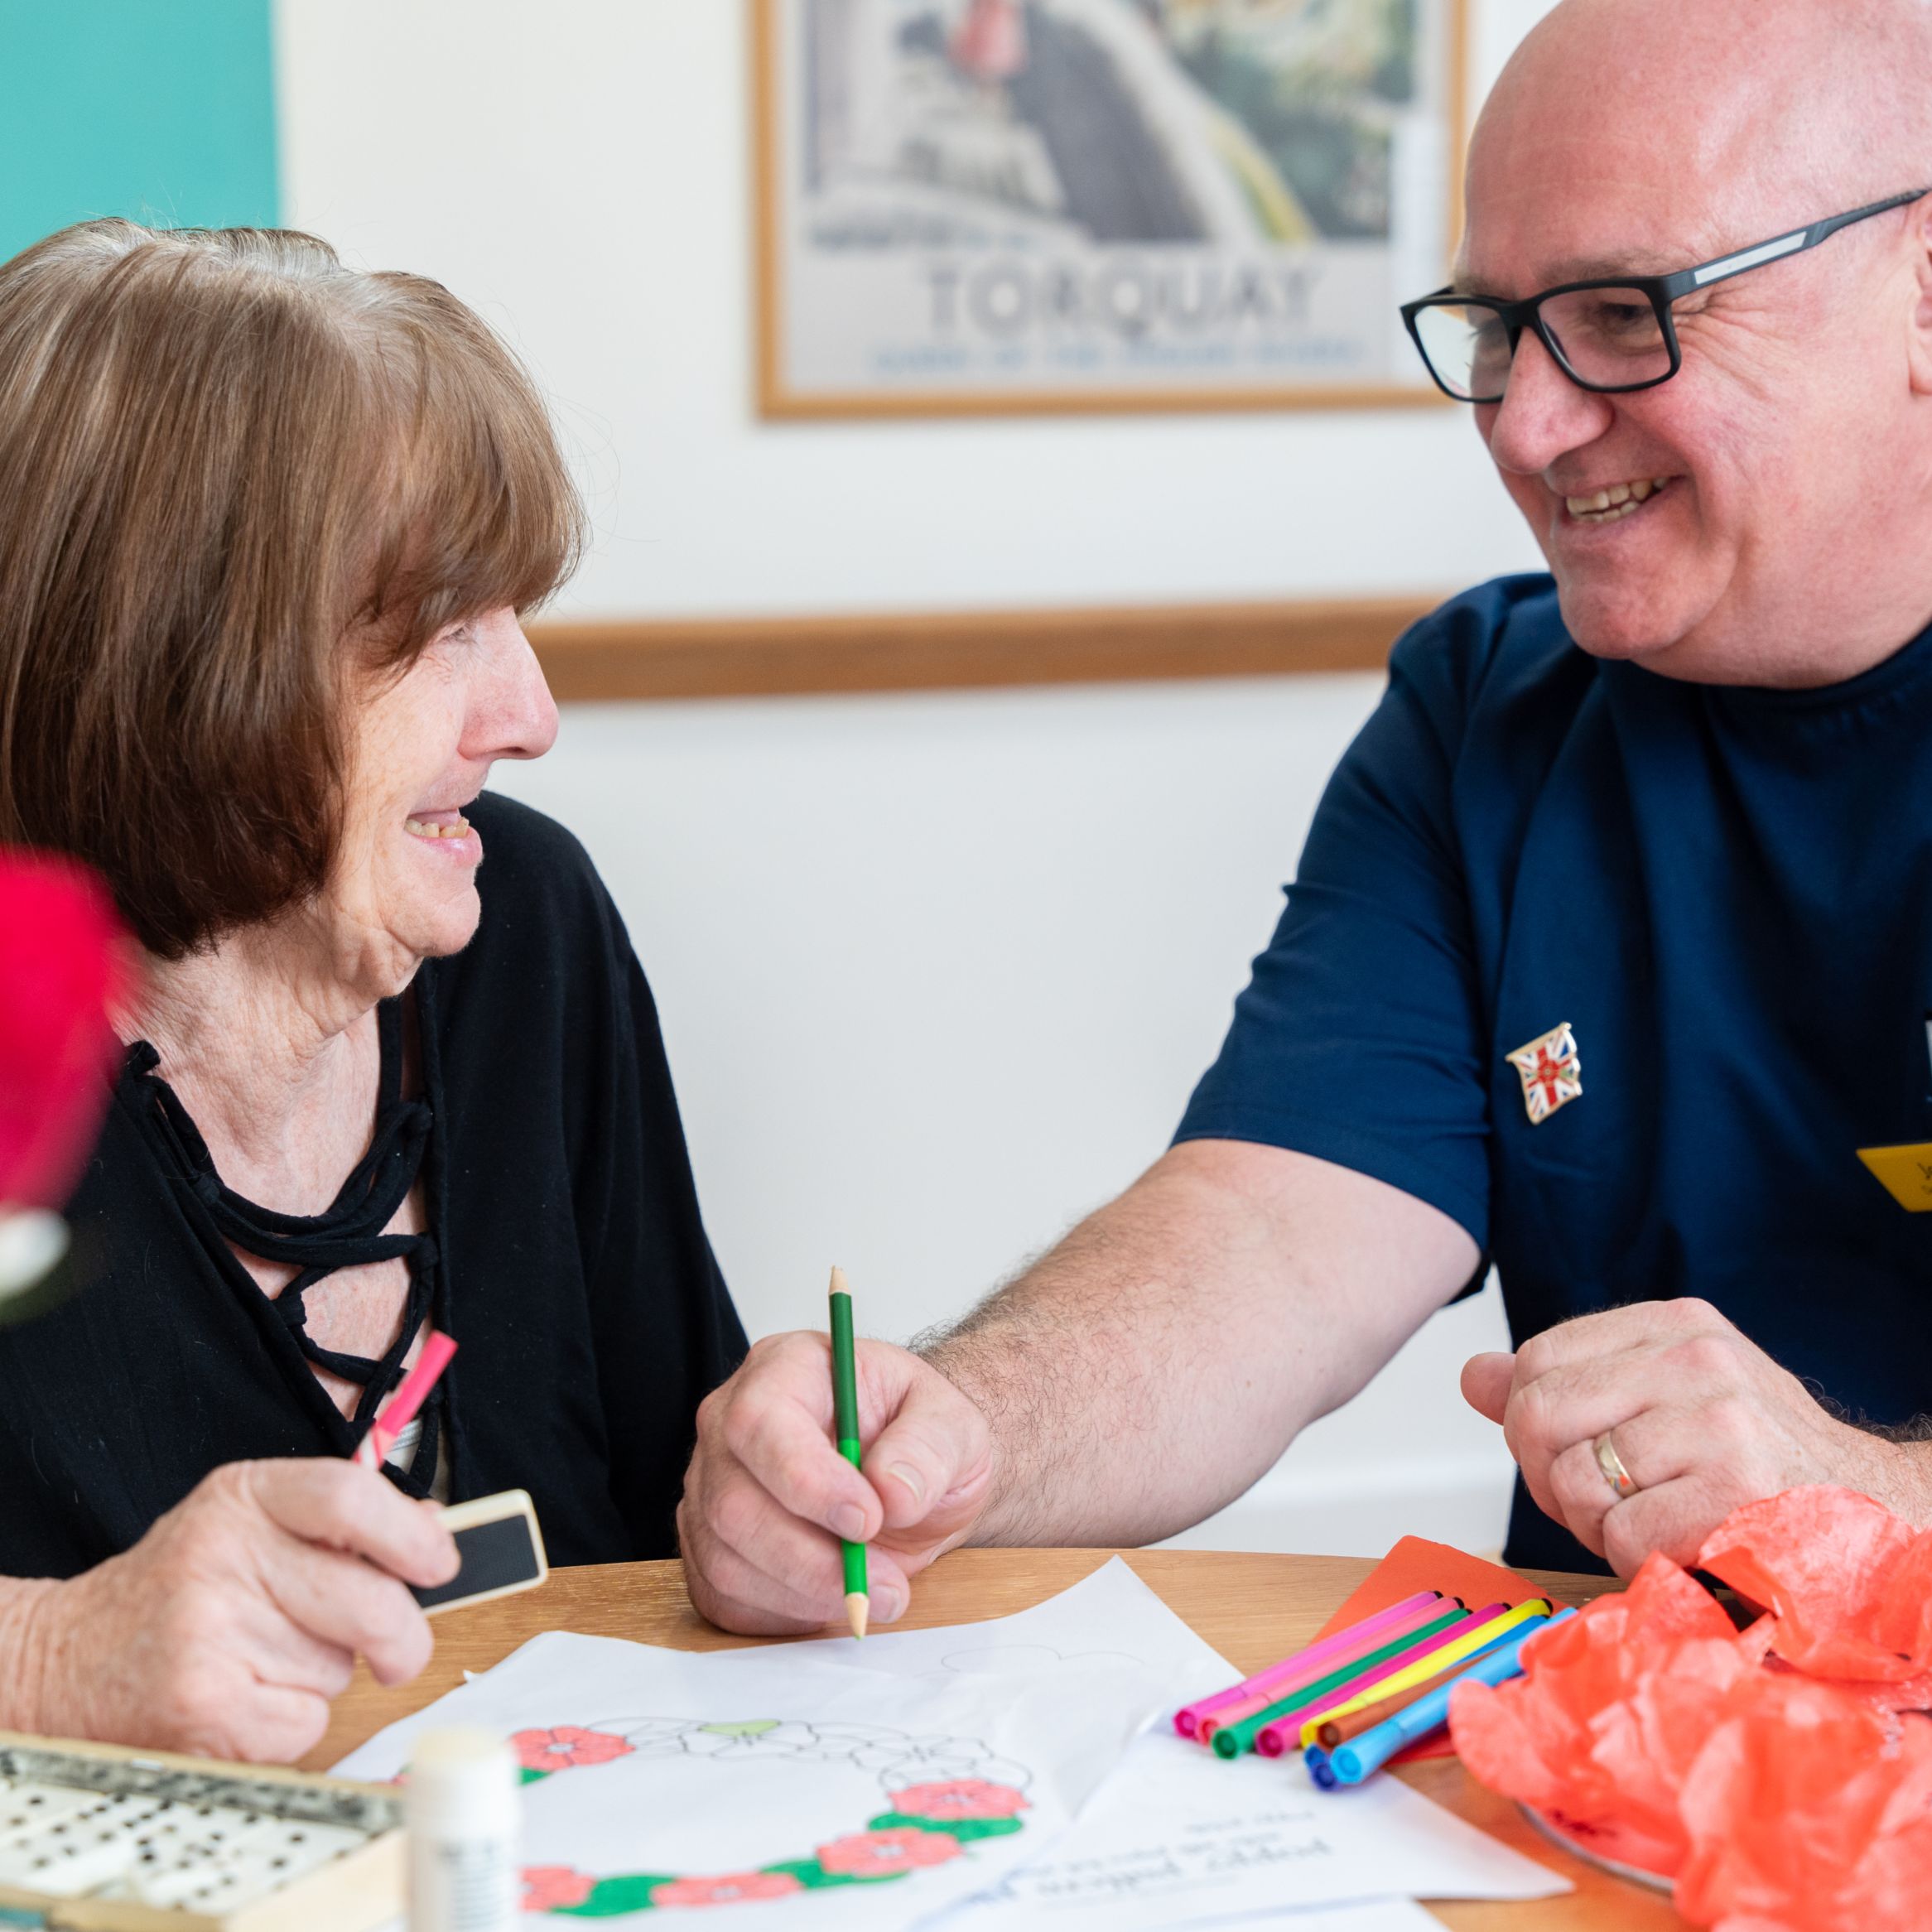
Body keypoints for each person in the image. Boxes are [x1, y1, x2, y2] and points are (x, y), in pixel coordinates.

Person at [680, 0, 1932, 1635]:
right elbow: (1271, 1236)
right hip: (1628, 1800)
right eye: (1497, 328)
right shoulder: (1491, 707)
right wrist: (957, 1440)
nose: (1528, 425)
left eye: (1630, 315)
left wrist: (1871, 1511)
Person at [0, 222, 746, 1759]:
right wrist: (44, 1652)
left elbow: (690, 1501)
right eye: (444, 628)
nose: (531, 712)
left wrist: (777, 1498)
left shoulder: (521, 924)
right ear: (186, 655)